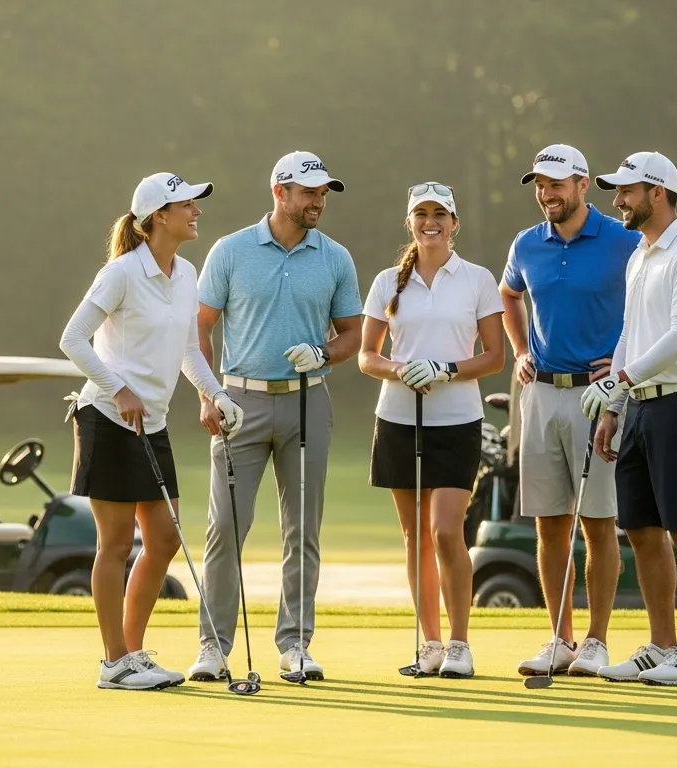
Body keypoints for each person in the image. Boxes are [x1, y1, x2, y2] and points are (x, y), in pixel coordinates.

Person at [58, 171, 245, 691]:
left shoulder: (186, 274)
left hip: (152, 422)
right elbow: (72, 340)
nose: (196, 211)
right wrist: (117, 388)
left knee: (162, 541)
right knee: (115, 545)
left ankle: (134, 653)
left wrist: (217, 394)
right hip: (108, 418)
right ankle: (114, 661)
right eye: (187, 203)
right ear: (158, 215)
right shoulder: (121, 273)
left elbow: (188, 352)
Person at [188, 151, 363, 683]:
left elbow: (354, 335)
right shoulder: (232, 250)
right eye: (309, 193)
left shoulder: (335, 257)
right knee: (226, 528)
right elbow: (198, 329)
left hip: (309, 401)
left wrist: (325, 353)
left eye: (323, 194)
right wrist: (207, 394)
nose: (318, 202)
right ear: (279, 191)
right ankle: (213, 648)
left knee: (303, 530)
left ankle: (295, 645)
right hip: (239, 402)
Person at [499, 144, 644, 677]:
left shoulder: (622, 240)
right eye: (540, 183)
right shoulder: (527, 243)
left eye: (557, 183)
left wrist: (627, 356)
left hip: (597, 396)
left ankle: (596, 641)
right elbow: (508, 295)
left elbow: (653, 299)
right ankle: (559, 638)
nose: (546, 193)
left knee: (598, 523)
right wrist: (519, 350)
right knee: (549, 524)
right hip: (540, 393)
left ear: (584, 184)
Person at [579, 151, 677, 686]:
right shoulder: (641, 254)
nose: (617, 200)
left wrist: (620, 381)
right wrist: (614, 407)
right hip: (638, 405)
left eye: (627, 191)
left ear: (656, 193)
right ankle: (662, 645)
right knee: (640, 529)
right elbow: (629, 335)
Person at [358, 182, 505, 678]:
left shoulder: (477, 279)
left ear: (455, 222)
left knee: (445, 531)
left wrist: (444, 369)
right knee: (415, 536)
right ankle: (431, 643)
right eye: (421, 213)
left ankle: (460, 643)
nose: (430, 222)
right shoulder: (387, 282)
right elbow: (367, 356)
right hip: (398, 418)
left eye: (440, 213)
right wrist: (400, 370)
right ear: (410, 223)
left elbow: (494, 356)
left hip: (457, 419)